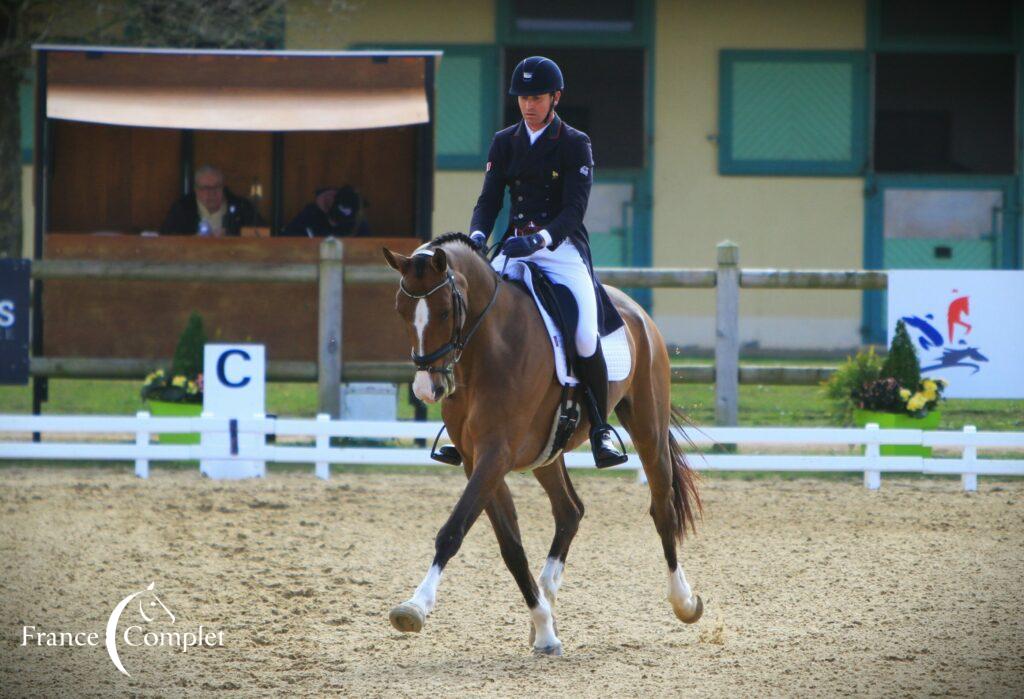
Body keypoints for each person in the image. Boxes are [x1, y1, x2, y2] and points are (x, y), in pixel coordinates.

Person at [442, 55, 627, 468]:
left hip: (561, 250)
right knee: (473, 315)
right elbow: (490, 199)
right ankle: (459, 423)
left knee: (582, 334)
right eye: (523, 97)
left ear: (555, 98)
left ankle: (600, 428)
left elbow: (574, 210)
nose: (528, 104)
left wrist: (540, 240)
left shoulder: (575, 142)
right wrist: (477, 237)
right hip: (513, 246)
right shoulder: (504, 141)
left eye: (537, 97)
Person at [160, 165, 263, 237]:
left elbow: (260, 234)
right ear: (196, 190)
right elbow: (168, 238)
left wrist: (230, 238)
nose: (211, 193)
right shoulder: (182, 208)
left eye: (216, 187)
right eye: (205, 188)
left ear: (223, 187)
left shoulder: (242, 207)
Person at [281, 185, 369, 238]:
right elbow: (287, 239)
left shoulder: (359, 225)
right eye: (332, 218)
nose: (333, 224)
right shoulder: (309, 215)